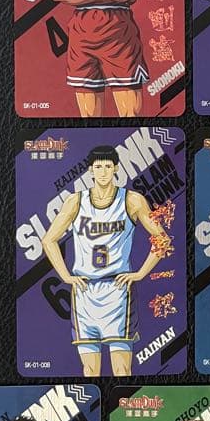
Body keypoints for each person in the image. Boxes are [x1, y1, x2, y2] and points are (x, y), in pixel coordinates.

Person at [41, 145, 170, 376]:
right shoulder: (75, 201)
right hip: (84, 291)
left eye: (107, 166)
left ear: (116, 168)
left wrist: (140, 273)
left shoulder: (132, 200)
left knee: (122, 369)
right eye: (98, 167)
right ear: (90, 170)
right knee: (90, 370)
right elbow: (48, 240)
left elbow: (162, 239)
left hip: (117, 290)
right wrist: (65, 276)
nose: (102, 172)